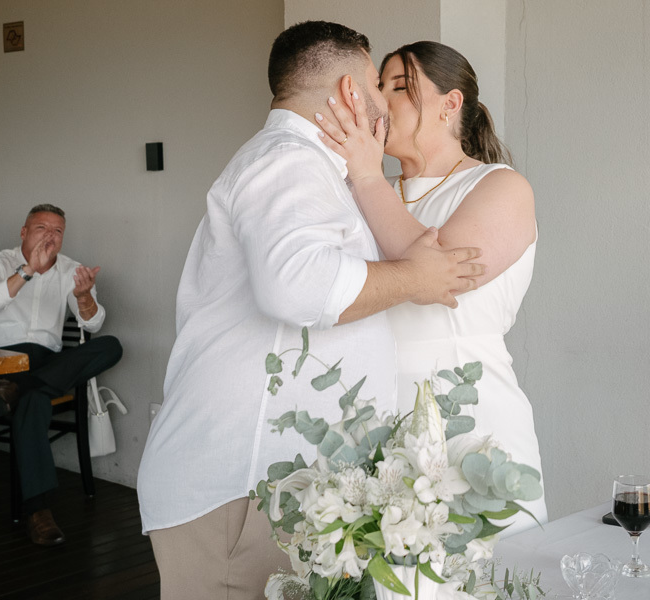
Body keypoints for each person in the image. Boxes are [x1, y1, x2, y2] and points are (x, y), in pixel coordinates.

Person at [137, 22, 485, 600]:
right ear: (351, 90)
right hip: (241, 489)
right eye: (377, 81)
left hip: (269, 489)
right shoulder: (286, 160)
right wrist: (415, 279)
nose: (381, 99)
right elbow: (295, 287)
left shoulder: (316, 168)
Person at [314, 40, 547, 534]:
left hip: (474, 418)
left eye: (400, 86)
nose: (380, 100)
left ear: (451, 103)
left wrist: (364, 174)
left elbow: (433, 274)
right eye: (379, 87)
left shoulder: (501, 187)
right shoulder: (360, 192)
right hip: (371, 421)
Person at [0, 204, 122, 546]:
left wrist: (84, 299)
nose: (49, 236)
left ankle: (17, 389)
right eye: (41, 228)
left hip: (40, 366)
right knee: (36, 400)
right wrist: (26, 272)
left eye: (57, 231)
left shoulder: (72, 270)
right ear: (24, 232)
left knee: (111, 345)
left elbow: (93, 323)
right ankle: (39, 513)